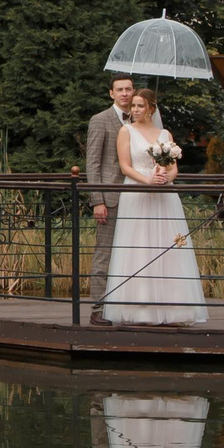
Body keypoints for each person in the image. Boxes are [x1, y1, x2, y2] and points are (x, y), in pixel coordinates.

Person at [101, 88, 208, 326]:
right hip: (138, 193)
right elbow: (125, 166)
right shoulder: (125, 131)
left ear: (151, 108)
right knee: (139, 245)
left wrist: (165, 177)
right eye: (133, 106)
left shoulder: (164, 134)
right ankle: (139, 307)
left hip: (164, 196)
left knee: (167, 245)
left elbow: (173, 169)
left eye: (140, 106)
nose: (135, 110)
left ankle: (173, 306)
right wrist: (147, 179)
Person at [83, 75, 136, 307]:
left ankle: (128, 304)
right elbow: (92, 163)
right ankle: (98, 306)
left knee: (135, 250)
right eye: (120, 89)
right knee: (104, 252)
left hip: (138, 196)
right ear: (111, 93)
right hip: (110, 198)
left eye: (128, 89)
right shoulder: (100, 120)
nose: (124, 93)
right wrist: (97, 200)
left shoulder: (141, 119)